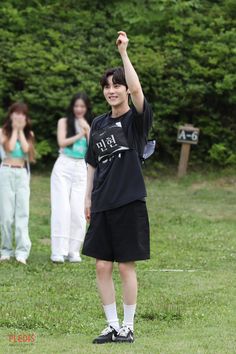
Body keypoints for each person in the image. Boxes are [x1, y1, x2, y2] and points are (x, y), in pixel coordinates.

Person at [82, 31, 153, 344]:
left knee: (125, 267)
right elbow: (92, 163)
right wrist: (87, 197)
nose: (111, 91)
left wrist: (124, 53)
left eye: (117, 85)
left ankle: (128, 326)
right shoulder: (98, 123)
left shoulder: (135, 121)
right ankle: (111, 325)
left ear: (125, 89)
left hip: (129, 201)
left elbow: (138, 91)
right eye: (107, 87)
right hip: (102, 202)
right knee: (101, 266)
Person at [50, 93, 91, 263]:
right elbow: (61, 142)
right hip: (64, 166)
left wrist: (87, 131)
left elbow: (93, 149)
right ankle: (58, 251)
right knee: (62, 209)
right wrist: (80, 134)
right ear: (72, 107)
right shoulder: (64, 122)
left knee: (78, 211)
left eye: (82, 106)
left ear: (86, 108)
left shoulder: (90, 124)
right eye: (76, 106)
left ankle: (73, 251)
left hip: (81, 167)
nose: (79, 109)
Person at [0, 102, 35, 265]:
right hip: (6, 172)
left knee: (23, 213)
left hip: (21, 174)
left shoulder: (29, 134)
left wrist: (21, 130)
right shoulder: (3, 132)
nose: (19, 116)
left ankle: (22, 251)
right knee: (6, 215)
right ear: (11, 114)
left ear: (26, 117)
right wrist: (15, 129)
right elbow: (9, 147)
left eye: (22, 114)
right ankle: (6, 249)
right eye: (16, 113)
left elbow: (27, 149)